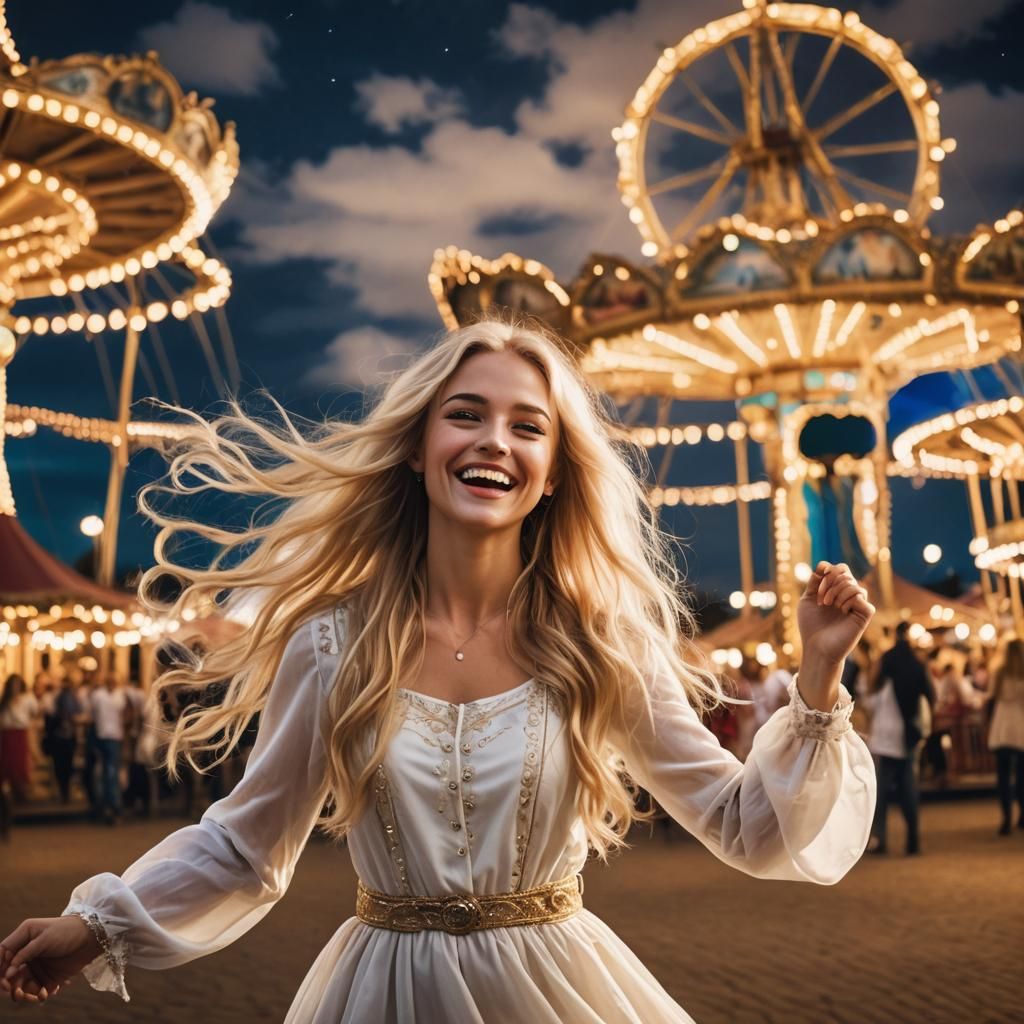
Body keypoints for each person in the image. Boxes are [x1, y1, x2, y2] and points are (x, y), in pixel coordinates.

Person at [0, 319, 877, 1018]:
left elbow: (742, 825)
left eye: (526, 426)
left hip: (557, 985)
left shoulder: (602, 639)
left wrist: (819, 684)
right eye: (466, 414)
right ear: (417, 447)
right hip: (385, 990)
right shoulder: (331, 642)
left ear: (553, 476)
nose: (494, 440)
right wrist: (97, 923)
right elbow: (244, 845)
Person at [866, 622, 934, 855]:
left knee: (881, 794)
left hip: (885, 738)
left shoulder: (885, 683)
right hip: (908, 736)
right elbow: (930, 695)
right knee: (908, 790)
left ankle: (880, 839)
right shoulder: (916, 666)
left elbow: (869, 701)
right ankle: (912, 839)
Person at [987, 638, 1024, 836]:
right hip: (1020, 728)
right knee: (1021, 776)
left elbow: (990, 697)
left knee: (1003, 777)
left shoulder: (999, 673)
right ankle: (1022, 815)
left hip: (1002, 727)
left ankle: (1006, 818)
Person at [89, 674, 127, 825]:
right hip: (102, 736)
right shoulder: (98, 695)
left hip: (114, 737)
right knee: (105, 773)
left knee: (111, 773)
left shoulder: (119, 696)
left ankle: (111, 806)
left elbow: (123, 715)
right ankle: (107, 805)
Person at [48, 674, 82, 805]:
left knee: (65, 765)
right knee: (61, 766)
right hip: (60, 737)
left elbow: (77, 713)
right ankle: (64, 791)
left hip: (67, 737)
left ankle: (65, 791)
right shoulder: (60, 698)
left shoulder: (72, 698)